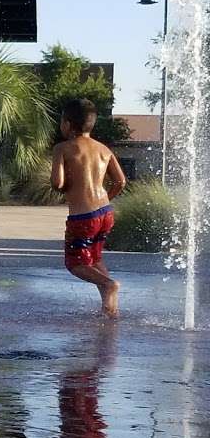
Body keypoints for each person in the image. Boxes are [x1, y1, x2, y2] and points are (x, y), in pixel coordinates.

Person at [50, 98, 126, 317]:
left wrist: (68, 188)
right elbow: (120, 182)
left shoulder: (62, 148)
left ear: (66, 124)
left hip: (82, 217)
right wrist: (104, 201)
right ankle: (110, 308)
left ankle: (110, 285)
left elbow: (57, 183)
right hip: (105, 212)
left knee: (75, 263)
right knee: (95, 258)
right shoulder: (104, 149)